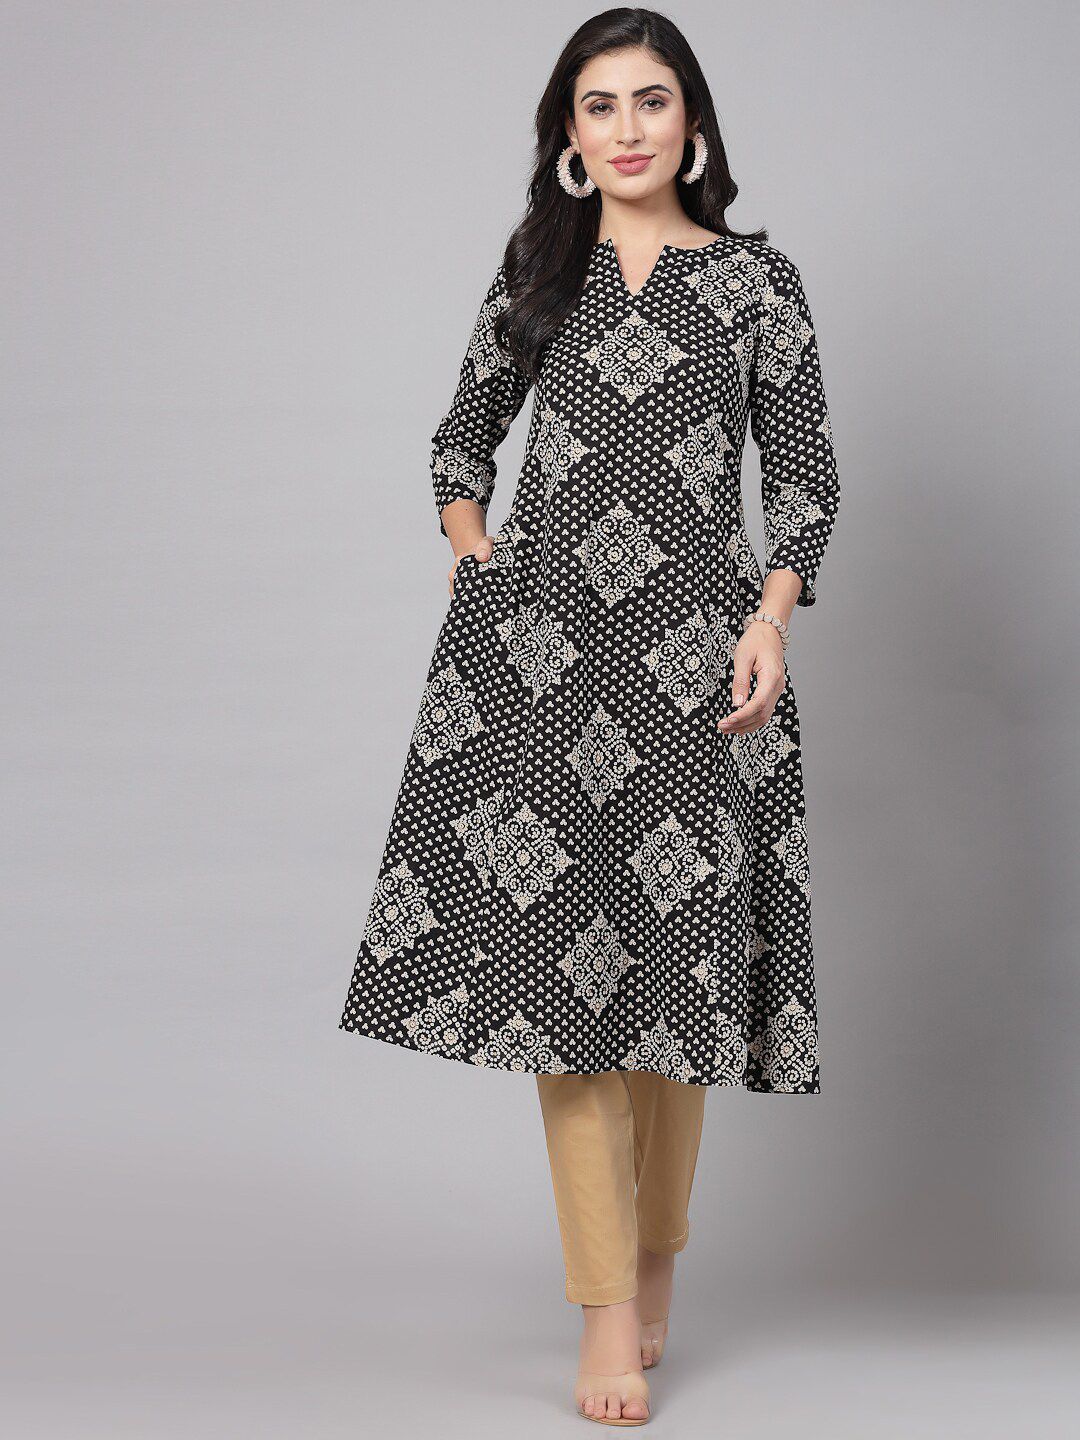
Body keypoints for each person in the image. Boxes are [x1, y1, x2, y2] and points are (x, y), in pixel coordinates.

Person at [339, 6, 841, 1425]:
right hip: (543, 672)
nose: (627, 129)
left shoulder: (756, 283)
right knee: (564, 1000)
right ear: (569, 135)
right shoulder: (536, 273)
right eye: (599, 105)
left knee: (678, 984)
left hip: (699, 672)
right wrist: (476, 552)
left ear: (695, 124)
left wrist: (769, 622)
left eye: (651, 100)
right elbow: (461, 438)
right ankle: (606, 1311)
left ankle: (659, 1248)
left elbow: (805, 475)